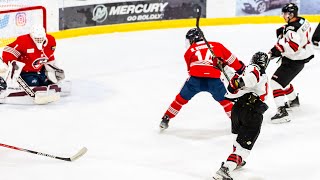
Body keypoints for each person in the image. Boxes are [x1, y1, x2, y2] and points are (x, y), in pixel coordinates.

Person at [159, 28, 245, 130]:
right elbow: (233, 60)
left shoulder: (189, 51)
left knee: (180, 99)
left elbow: (190, 70)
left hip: (195, 80)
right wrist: (241, 70)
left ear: (192, 39)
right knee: (226, 101)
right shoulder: (217, 45)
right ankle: (237, 122)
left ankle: (166, 118)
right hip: (214, 81)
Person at [213, 52, 269, 180]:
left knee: (240, 138)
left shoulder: (246, 71)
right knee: (244, 148)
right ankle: (226, 168)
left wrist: (224, 67)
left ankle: (236, 160)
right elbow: (250, 78)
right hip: (251, 111)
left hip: (238, 109)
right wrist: (240, 83)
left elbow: (235, 81)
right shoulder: (257, 69)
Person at [268, 3, 314, 123]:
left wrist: (277, 50)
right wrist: (284, 30)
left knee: (275, 82)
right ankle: (293, 100)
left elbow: (293, 47)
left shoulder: (291, 30)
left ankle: (282, 112)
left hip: (294, 60)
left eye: (285, 13)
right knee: (283, 80)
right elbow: (297, 31)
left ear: (290, 14)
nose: (283, 15)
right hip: (303, 56)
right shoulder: (303, 20)